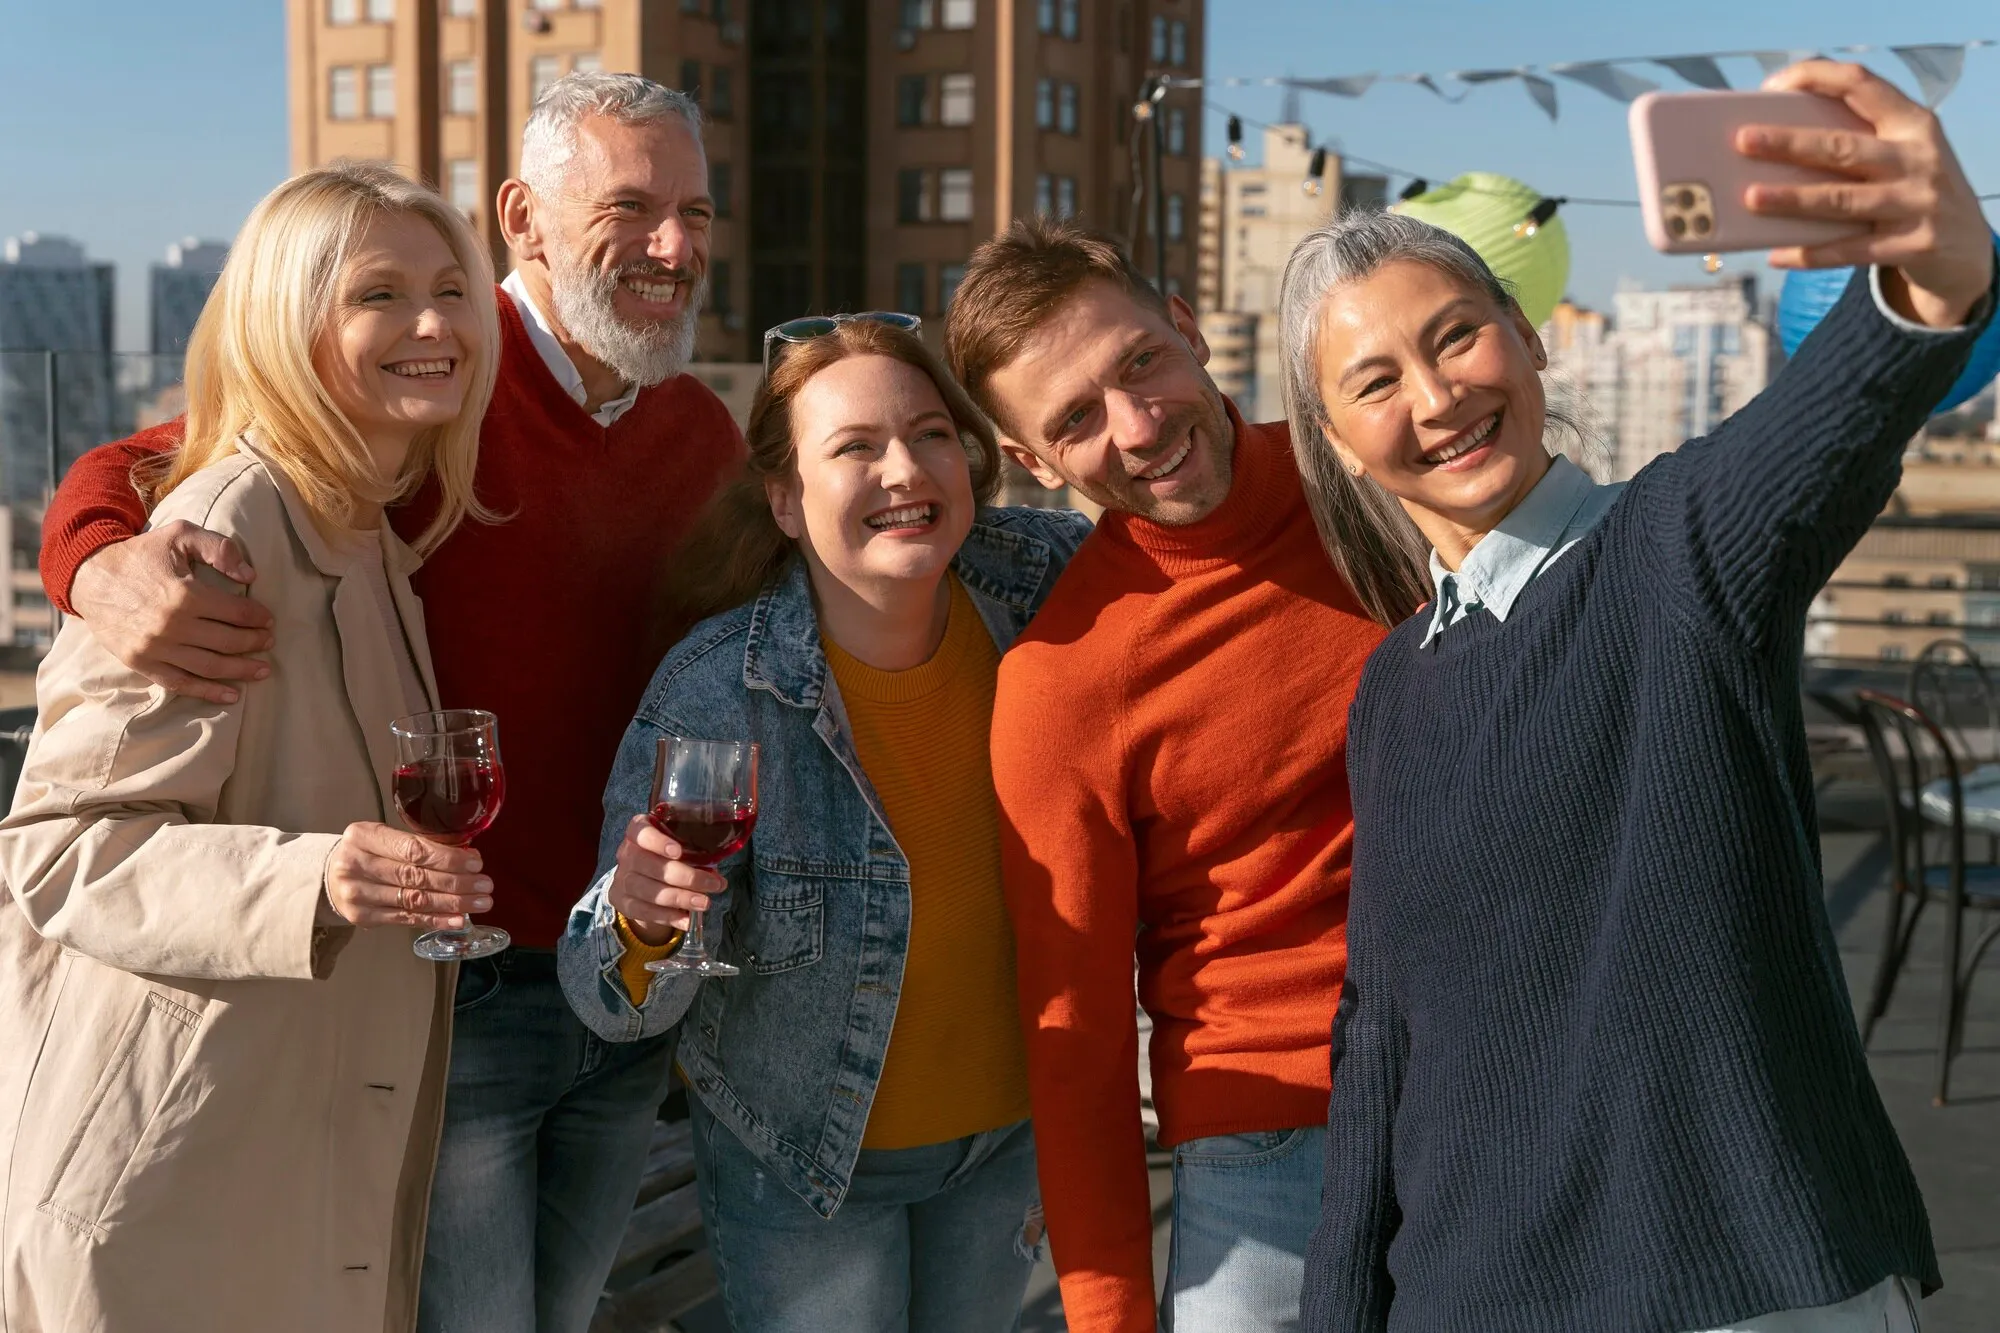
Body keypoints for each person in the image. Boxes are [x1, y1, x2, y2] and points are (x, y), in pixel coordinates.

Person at [1284, 62, 1994, 1333]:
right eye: (1375, 381)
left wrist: (1925, 280)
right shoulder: (1390, 689)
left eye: (1455, 333)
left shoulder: (1678, 546)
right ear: (1336, 443)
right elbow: (1379, 1034)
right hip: (1470, 1299)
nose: (1437, 397)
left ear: (1527, 332)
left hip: (1744, 1287)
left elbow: (1834, 412)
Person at [32, 73, 742, 1333]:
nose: (674, 246)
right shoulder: (429, 385)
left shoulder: (698, 434)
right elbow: (179, 461)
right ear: (524, 219)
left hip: (620, 978)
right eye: (630, 207)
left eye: (695, 210)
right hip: (440, 994)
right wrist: (92, 556)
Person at [0, 163, 497, 1332]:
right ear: (288, 320)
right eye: (379, 293)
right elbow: (62, 851)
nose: (433, 324)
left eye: (449, 289)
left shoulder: (368, 522)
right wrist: (314, 877)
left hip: (283, 1140)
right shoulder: (222, 531)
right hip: (181, 1180)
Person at [558, 317, 1090, 1332]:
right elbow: (617, 1004)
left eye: (932, 433)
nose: (904, 468)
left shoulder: (1037, 592)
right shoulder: (718, 691)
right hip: (802, 1162)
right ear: (784, 500)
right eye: (853, 447)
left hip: (1010, 1142)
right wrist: (641, 921)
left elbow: (1194, 538)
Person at [940, 220, 1392, 1333]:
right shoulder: (1062, 682)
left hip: (1497, 1072)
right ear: (1036, 465)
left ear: (1185, 329)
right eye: (1076, 421)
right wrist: (1107, 1317)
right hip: (1269, 1138)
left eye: (1138, 363)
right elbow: (1076, 1037)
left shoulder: (1373, 482)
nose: (1138, 428)